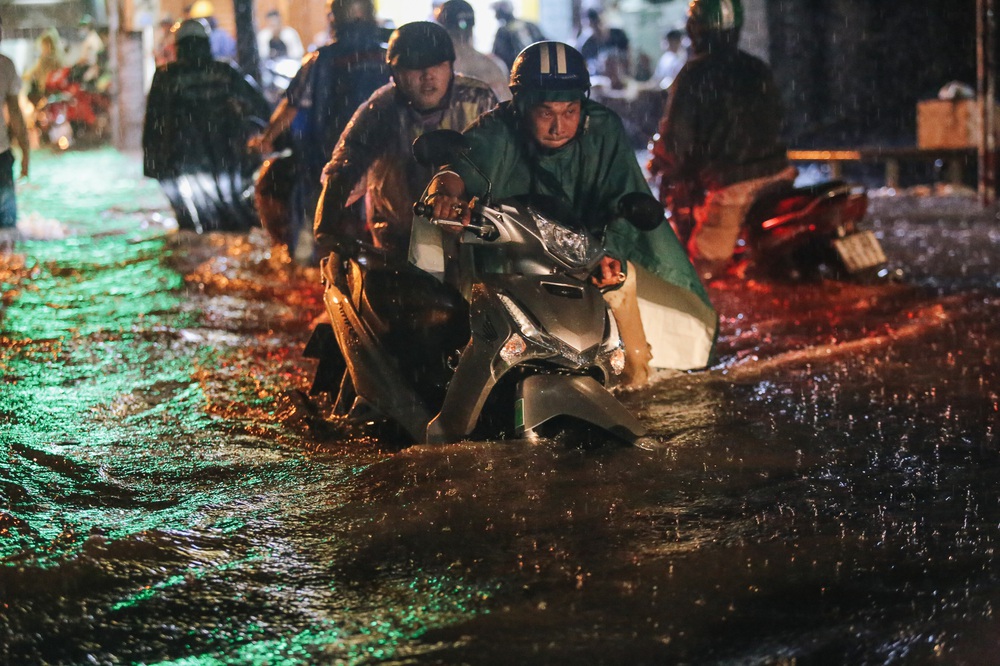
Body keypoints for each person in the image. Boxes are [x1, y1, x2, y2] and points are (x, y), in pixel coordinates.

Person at [421, 41, 715, 386]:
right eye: (546, 113)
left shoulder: (603, 128)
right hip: (510, 261)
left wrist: (611, 255)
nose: (559, 126)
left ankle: (637, 384)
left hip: (590, 256)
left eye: (570, 111)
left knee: (632, 354)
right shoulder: (497, 128)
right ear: (522, 105)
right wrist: (442, 192)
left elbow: (622, 191)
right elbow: (457, 169)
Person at [313, 20, 498, 262]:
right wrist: (324, 227)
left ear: (450, 67)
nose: (428, 76)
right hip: (398, 234)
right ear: (395, 74)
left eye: (438, 65)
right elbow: (346, 164)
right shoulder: (380, 108)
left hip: (470, 230)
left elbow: (505, 156)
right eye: (415, 68)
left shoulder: (478, 100)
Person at [649, 0, 797, 280]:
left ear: (695, 30)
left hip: (733, 185)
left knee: (699, 276)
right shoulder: (757, 68)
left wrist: (662, 158)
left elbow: (676, 141)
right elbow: (782, 121)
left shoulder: (694, 74)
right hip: (779, 175)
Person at [249, 0, 391, 256]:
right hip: (384, 163)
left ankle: (302, 261)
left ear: (334, 19)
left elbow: (290, 107)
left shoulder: (320, 59)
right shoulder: (390, 56)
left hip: (328, 163)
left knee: (309, 234)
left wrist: (267, 138)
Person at [142, 18, 270, 233]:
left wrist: (153, 162)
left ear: (178, 46)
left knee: (190, 225)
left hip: (183, 157)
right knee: (236, 220)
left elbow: (153, 123)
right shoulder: (225, 71)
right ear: (206, 43)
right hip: (224, 156)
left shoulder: (166, 76)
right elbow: (260, 106)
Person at [435, 0, 510, 102]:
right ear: (472, 27)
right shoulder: (495, 66)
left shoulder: (433, 68)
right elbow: (506, 105)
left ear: (442, 28)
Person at [0, 14, 30, 250]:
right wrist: (26, 152)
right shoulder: (5, 65)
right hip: (2, 154)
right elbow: (16, 114)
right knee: (7, 229)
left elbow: (16, 114)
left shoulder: (6, 66)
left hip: (2, 153)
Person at [576, 7, 630, 83]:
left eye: (598, 23)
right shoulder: (585, 44)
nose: (597, 28)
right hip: (598, 82)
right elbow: (582, 68)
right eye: (593, 25)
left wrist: (628, 76)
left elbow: (629, 56)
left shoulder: (618, 34)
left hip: (621, 78)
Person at [491, 0, 544, 71]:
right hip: (534, 68)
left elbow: (498, 54)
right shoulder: (529, 25)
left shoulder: (503, 32)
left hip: (516, 71)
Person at [23, 28, 65, 107]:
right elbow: (32, 72)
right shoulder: (42, 60)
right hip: (43, 94)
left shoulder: (57, 61)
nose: (44, 49)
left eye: (46, 46)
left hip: (53, 95)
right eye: (43, 46)